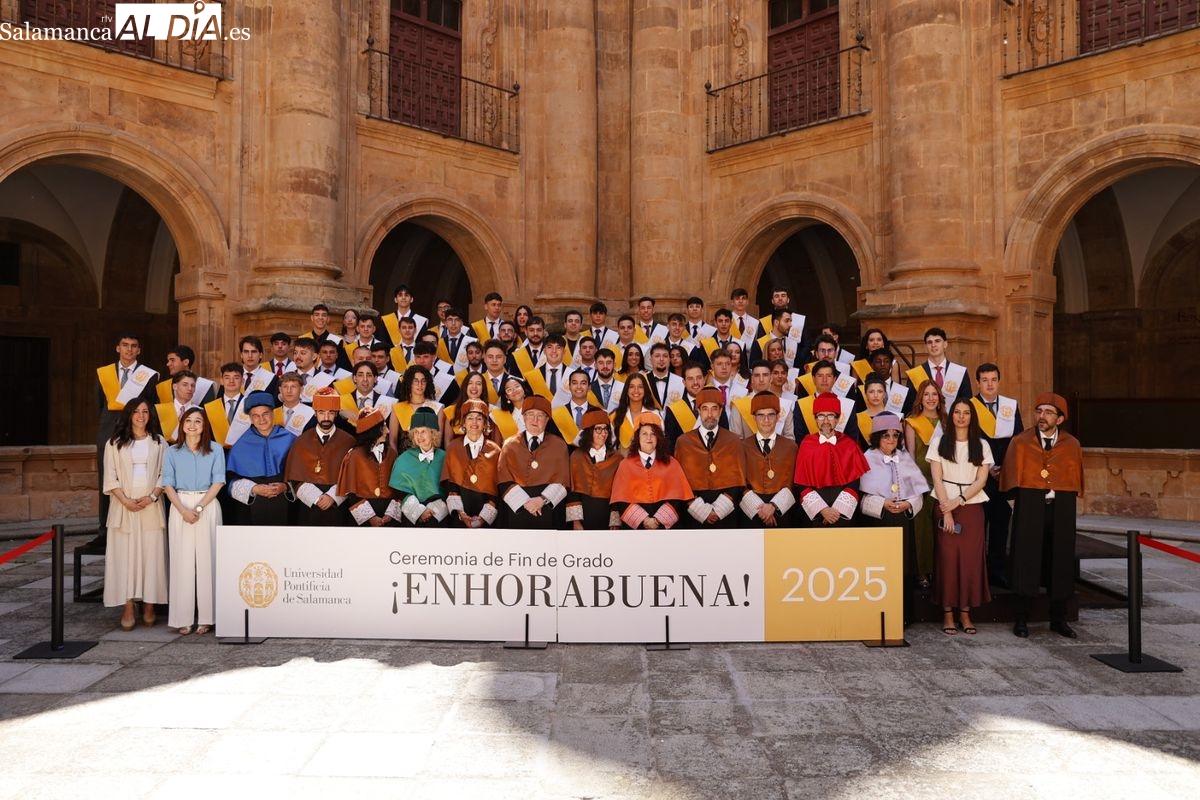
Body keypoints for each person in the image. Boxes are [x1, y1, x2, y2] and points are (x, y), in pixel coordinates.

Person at [1001, 392, 1085, 639]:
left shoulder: (1071, 445)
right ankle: (1021, 618)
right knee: (1026, 558)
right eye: (1039, 411)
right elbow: (1010, 477)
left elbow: (1075, 477)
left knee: (1060, 559)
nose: (1042, 416)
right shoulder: (1021, 442)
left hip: (1061, 507)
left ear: (1060, 419)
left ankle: (1058, 618)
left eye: (1049, 412)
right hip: (1030, 505)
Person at [927, 399, 993, 635]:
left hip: (972, 506)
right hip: (944, 503)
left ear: (972, 417)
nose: (961, 416)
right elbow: (936, 478)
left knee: (969, 560)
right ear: (951, 415)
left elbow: (981, 480)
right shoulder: (939, 443)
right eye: (957, 412)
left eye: (966, 413)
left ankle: (965, 613)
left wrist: (960, 501)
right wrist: (947, 510)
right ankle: (947, 613)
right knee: (947, 560)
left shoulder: (982, 445)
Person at [102, 398, 168, 630]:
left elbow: (165, 474)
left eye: (145, 412)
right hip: (123, 505)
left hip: (150, 503)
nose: (141, 416)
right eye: (136, 412)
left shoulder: (159, 442)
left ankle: (149, 604)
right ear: (129, 415)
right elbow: (110, 477)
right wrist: (125, 500)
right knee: (125, 557)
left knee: (151, 556)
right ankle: (128, 604)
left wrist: (152, 496)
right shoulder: (115, 443)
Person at [859, 413, 929, 625]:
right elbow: (861, 497)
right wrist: (883, 504)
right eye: (885, 436)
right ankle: (877, 614)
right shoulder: (867, 457)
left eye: (895, 435)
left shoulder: (905, 458)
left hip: (902, 523)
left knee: (903, 568)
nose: (891, 440)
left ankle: (903, 616)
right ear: (876, 437)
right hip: (878, 522)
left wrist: (908, 504)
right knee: (879, 569)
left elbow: (918, 492)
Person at [160, 407, 224, 636]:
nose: (193, 425)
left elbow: (218, 482)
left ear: (205, 426)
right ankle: (182, 618)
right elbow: (167, 483)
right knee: (182, 562)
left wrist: (198, 508)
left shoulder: (215, 450)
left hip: (207, 504)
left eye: (198, 421)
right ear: (182, 424)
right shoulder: (172, 452)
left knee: (209, 561)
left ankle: (208, 617)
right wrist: (183, 510)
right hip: (180, 504)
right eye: (189, 420)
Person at [96, 333, 159, 545]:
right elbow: (99, 404)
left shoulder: (148, 375)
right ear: (117, 348)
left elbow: (150, 405)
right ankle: (105, 528)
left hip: (137, 432)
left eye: (133, 346)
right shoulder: (104, 373)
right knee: (108, 477)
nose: (129, 350)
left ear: (139, 350)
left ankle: (136, 519)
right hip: (109, 432)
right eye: (125, 345)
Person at [970, 362, 1024, 586]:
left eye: (993, 380)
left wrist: (1005, 468)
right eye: (985, 380)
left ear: (999, 381)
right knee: (977, 528)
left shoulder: (1010, 406)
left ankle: (997, 570)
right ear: (978, 382)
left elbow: (1018, 440)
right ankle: (977, 572)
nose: (989, 384)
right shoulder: (969, 406)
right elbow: (966, 440)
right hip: (977, 476)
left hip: (1003, 476)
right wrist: (986, 467)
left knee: (1001, 524)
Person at [673, 388, 746, 528]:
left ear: (720, 411)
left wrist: (718, 511)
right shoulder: (684, 442)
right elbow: (680, 481)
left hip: (726, 515)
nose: (710, 414)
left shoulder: (733, 441)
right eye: (705, 409)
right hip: (694, 515)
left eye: (714, 409)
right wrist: (702, 511)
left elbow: (738, 481)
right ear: (698, 411)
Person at [283, 387, 355, 526]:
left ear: (337, 414)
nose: (326, 418)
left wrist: (332, 497)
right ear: (315, 413)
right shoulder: (301, 441)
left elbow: (352, 476)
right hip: (309, 507)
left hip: (337, 507)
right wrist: (315, 498)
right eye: (322, 412)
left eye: (331, 413)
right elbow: (294, 478)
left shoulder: (349, 441)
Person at [795, 393, 868, 527]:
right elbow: (802, 483)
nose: (826, 421)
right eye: (821, 416)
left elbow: (854, 482)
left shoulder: (849, 444)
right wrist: (822, 510)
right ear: (815, 419)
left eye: (831, 415)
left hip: (842, 514)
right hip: (816, 514)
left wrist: (836, 511)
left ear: (838, 419)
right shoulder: (806, 444)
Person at [609, 413, 694, 530]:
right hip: (637, 530)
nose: (648, 438)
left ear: (658, 438)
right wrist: (644, 521)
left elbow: (677, 499)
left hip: (666, 529)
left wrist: (657, 521)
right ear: (637, 437)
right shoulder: (625, 465)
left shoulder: (672, 463)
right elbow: (622, 501)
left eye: (653, 434)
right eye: (644, 434)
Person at [497, 396, 570, 529]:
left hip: (548, 509)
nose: (535, 420)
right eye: (530, 414)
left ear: (547, 419)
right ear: (523, 417)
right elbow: (503, 479)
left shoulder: (559, 445)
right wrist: (526, 503)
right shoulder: (509, 445)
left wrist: (541, 500)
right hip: (517, 509)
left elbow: (563, 480)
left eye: (540, 415)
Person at [225, 391, 294, 525]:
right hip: (252, 506)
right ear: (250, 418)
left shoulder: (290, 439)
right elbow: (230, 480)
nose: (261, 419)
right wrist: (253, 489)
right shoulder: (241, 444)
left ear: (273, 414)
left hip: (283, 503)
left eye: (265, 414)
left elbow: (301, 476)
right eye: (255, 416)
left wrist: (285, 487)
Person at [904, 380, 945, 589]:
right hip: (922, 479)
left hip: (945, 480)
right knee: (922, 528)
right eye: (926, 394)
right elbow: (910, 455)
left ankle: (942, 569)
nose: (930, 398)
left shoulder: (947, 421)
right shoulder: (912, 422)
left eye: (934, 394)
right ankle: (922, 572)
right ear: (920, 398)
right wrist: (915, 483)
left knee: (943, 527)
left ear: (939, 397)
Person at [739, 392, 799, 527]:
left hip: (781, 513)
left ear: (778, 417)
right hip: (752, 514)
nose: (766, 420)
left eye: (771, 415)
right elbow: (739, 482)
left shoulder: (791, 447)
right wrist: (760, 508)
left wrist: (773, 506)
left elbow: (792, 483)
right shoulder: (742, 447)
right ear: (754, 417)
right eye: (761, 415)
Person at [442, 399, 502, 528]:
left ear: (485, 423)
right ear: (463, 422)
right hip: (460, 517)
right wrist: (462, 514)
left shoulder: (495, 450)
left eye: (479, 418)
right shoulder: (453, 447)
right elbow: (450, 484)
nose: (474, 422)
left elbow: (498, 487)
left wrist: (482, 518)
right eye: (470, 418)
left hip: (486, 519)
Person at [338, 408, 403, 526]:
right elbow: (351, 492)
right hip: (363, 522)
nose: (388, 431)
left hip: (389, 518)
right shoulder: (354, 455)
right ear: (373, 430)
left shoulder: (392, 453)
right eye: (383, 427)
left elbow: (398, 489)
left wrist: (390, 514)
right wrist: (371, 517)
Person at [388, 408, 449, 527]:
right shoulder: (403, 459)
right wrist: (419, 512)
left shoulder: (445, 458)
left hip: (440, 517)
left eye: (423, 431)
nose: (419, 436)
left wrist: (435, 510)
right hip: (412, 517)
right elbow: (400, 492)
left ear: (433, 433)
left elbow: (451, 489)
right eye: (416, 432)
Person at [565, 410, 623, 530]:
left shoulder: (617, 458)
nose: (603, 433)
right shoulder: (577, 456)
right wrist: (576, 522)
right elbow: (574, 491)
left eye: (606, 429)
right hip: (584, 515)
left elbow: (618, 492)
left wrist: (615, 521)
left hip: (607, 514)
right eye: (598, 429)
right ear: (588, 431)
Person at [907, 327, 971, 406]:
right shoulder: (915, 374)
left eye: (937, 341)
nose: (933, 345)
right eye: (929, 342)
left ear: (945, 344)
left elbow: (967, 403)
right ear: (926, 346)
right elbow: (910, 405)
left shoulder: (960, 372)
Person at [388, 364, 442, 451]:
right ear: (409, 383)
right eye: (415, 381)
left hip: (430, 459)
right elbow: (392, 441)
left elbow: (438, 441)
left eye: (423, 381)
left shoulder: (438, 408)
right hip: (405, 460)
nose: (420, 384)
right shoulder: (397, 408)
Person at [611, 372, 659, 451]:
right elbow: (612, 444)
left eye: (640, 387)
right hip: (623, 461)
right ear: (626, 390)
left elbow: (660, 441)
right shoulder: (615, 416)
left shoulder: (654, 414)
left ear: (645, 390)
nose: (636, 390)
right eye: (631, 387)